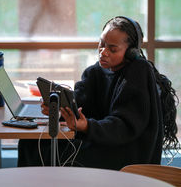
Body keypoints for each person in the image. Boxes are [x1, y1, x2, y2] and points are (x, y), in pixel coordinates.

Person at [18, 16, 179, 170]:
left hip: (124, 155)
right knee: (30, 144)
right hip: (103, 141)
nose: (103, 52)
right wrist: (58, 109)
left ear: (131, 52)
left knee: (50, 153)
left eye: (112, 49)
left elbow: (123, 126)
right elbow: (80, 100)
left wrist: (87, 126)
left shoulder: (138, 73)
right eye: (101, 44)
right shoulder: (98, 70)